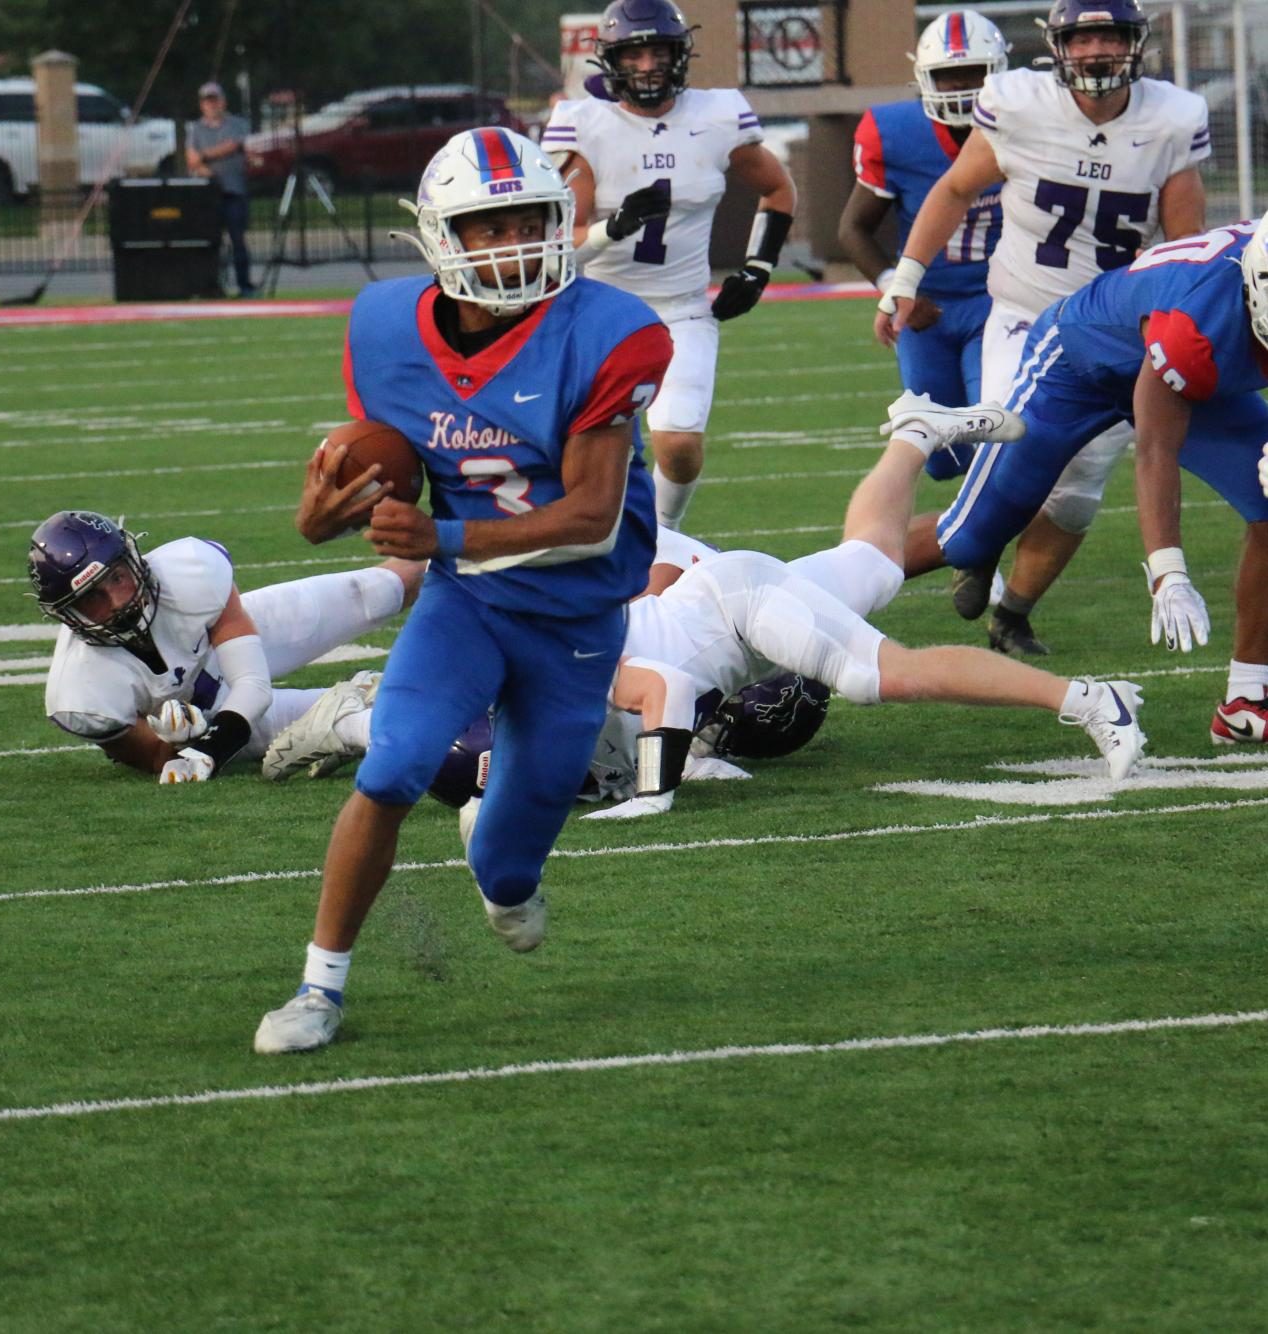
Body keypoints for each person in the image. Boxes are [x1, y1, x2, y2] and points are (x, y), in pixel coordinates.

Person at [253, 126, 673, 1055]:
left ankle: (505, 870)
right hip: (469, 601)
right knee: (393, 765)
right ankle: (319, 987)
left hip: (575, 617)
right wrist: (328, 514)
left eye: (529, 218)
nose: (513, 240)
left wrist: (436, 532)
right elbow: (380, 476)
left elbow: (592, 517)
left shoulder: (614, 331)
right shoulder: (383, 327)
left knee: (511, 858)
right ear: (442, 237)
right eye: (487, 225)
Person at [576, 391, 1147, 820]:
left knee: (877, 675)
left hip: (735, 606)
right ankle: (916, 434)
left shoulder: (561, 665)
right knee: (873, 564)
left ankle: (1093, 700)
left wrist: (653, 794)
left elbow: (665, 689)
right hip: (727, 606)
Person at [876, 0, 1209, 655]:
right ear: (1058, 46)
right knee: (1008, 469)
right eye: (1082, 39)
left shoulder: (1171, 118)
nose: (1095, 52)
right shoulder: (1019, 104)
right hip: (1028, 315)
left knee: (1077, 496)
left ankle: (1014, 612)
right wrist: (906, 278)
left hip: (1115, 331)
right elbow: (952, 191)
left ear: (1133, 44)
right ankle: (853, 577)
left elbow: (1184, 243)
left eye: (1108, 37)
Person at [902, 215, 1268, 745]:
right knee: (968, 536)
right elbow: (1155, 449)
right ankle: (820, 589)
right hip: (1078, 362)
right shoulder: (1196, 318)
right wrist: (1168, 572)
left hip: (1198, 376)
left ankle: (1247, 699)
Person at [542, 0, 797, 531]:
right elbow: (558, 247)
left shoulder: (716, 115)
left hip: (681, 309)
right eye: (635, 55)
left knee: (679, 446)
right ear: (613, 61)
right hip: (598, 313)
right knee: (580, 456)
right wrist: (614, 227)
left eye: (659, 52)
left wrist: (758, 267)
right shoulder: (585, 125)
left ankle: (662, 536)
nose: (648, 66)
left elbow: (778, 189)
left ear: (680, 55)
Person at [28, 509, 419, 781]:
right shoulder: (81, 693)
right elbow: (159, 760)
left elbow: (252, 684)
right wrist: (187, 740)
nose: (117, 602)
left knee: (377, 592)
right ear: (68, 615)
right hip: (214, 712)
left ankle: (475, 558)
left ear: (134, 560)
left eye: (117, 579)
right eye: (93, 599)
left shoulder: (189, 573)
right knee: (364, 722)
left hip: (232, 643)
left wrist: (214, 748)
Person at [839, 10, 1009, 484]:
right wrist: (896, 290)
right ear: (923, 78)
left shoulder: (1023, 123)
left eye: (972, 73)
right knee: (940, 457)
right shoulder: (894, 131)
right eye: (947, 75)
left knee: (991, 430)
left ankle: (980, 551)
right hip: (927, 307)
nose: (959, 86)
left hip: (1000, 303)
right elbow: (853, 227)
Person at [186, 81, 255, 298]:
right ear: (202, 105)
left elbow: (234, 145)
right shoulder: (196, 129)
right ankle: (211, 286)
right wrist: (205, 166)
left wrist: (205, 155)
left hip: (234, 191)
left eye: (215, 100)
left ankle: (244, 285)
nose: (212, 105)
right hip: (209, 195)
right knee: (210, 242)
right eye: (208, 101)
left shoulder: (237, 124)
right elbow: (192, 159)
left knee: (238, 240)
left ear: (223, 101)